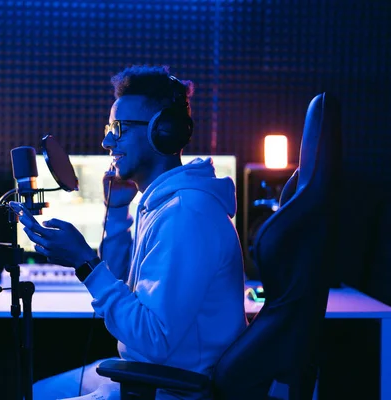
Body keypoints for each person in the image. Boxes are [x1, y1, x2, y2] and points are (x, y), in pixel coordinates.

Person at [18, 65, 247, 400]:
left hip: (169, 388)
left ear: (162, 132)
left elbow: (153, 340)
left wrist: (84, 262)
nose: (106, 140)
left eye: (118, 128)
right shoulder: (163, 204)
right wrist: (116, 212)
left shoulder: (185, 214)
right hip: (147, 374)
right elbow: (124, 283)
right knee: (36, 392)